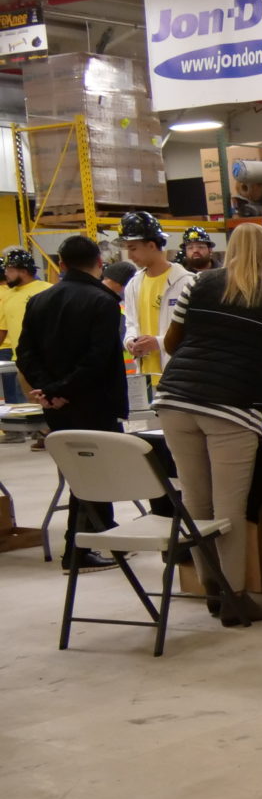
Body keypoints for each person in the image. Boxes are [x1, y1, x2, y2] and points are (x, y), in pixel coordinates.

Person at [152, 222, 262, 627]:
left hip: (175, 399)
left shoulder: (198, 284)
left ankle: (211, 589)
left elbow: (171, 342)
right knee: (229, 509)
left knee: (196, 502)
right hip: (232, 405)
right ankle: (235, 597)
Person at [15, 236, 125, 571]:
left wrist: (49, 391)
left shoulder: (39, 301)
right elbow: (97, 360)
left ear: (60, 264)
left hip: (57, 406)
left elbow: (24, 353)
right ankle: (79, 549)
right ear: (99, 262)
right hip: (94, 401)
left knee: (82, 473)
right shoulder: (104, 302)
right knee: (95, 474)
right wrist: (65, 389)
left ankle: (100, 537)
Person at [117, 210, 195, 392]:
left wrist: (158, 343)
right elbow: (131, 323)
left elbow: (195, 331)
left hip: (180, 378)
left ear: (152, 245)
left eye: (133, 248)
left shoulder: (186, 282)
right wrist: (130, 341)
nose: (130, 256)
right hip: (146, 379)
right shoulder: (133, 284)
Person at [0, 250, 52, 404]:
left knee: (52, 404)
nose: (6, 274)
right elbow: (3, 329)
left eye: (9, 270)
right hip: (21, 361)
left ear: (23, 271)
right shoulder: (8, 295)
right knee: (30, 407)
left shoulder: (47, 289)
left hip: (47, 359)